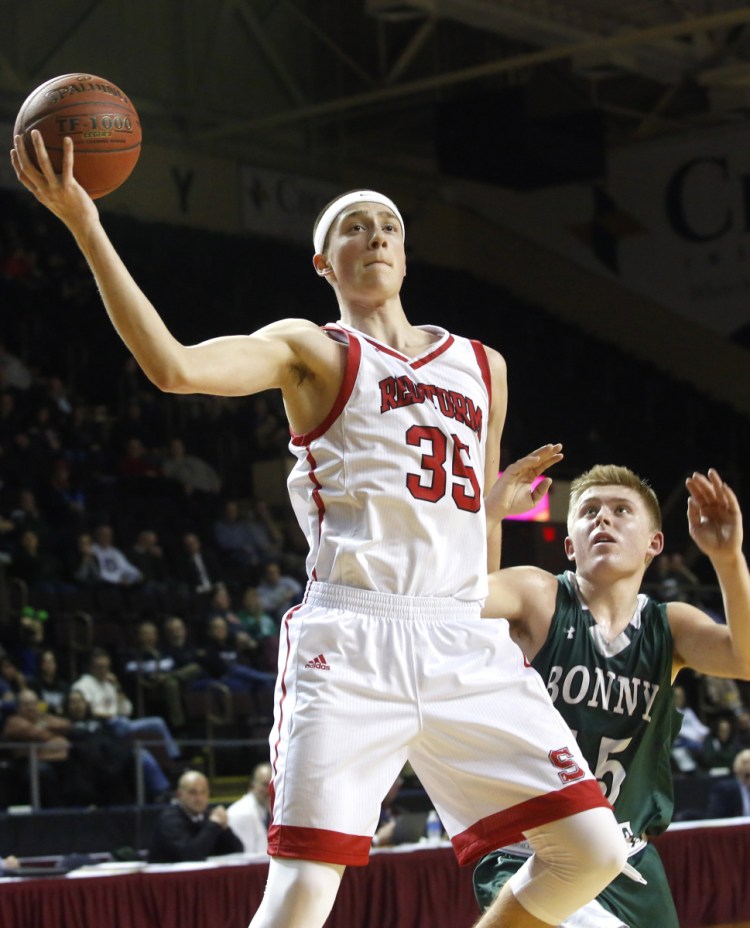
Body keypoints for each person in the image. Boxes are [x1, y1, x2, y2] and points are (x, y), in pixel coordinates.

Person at [9, 146, 624, 928]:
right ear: (322, 261)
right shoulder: (312, 348)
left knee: (595, 850)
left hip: (458, 636)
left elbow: (477, 527)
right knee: (302, 892)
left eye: (389, 226)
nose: (376, 235)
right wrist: (87, 225)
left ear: (405, 254)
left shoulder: (483, 365)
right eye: (354, 227)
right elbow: (173, 367)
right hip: (355, 637)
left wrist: (490, 606)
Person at [472, 455, 750, 928]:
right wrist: (489, 517)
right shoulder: (538, 594)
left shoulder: (670, 625)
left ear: (653, 543)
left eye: (622, 510)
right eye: (589, 511)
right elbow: (452, 603)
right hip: (536, 852)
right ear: (570, 546)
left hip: (631, 860)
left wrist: (727, 561)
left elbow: (743, 658)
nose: (603, 517)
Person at [148, 769, 244, 863]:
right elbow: (191, 856)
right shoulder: (169, 820)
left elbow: (237, 851)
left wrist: (225, 828)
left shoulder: (208, 816)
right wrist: (213, 825)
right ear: (179, 794)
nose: (199, 798)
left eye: (203, 792)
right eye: (193, 793)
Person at [227, 761, 273, 854]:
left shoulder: (267, 808)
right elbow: (246, 857)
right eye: (264, 784)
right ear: (253, 785)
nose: (269, 790)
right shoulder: (240, 812)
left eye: (272, 784)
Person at [706, 748, 750, 819]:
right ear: (736, 767)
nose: (748, 767)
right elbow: (715, 820)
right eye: (745, 763)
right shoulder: (724, 790)